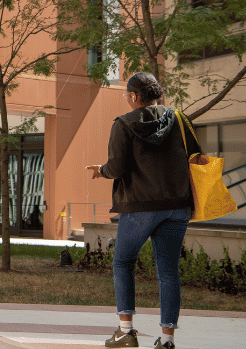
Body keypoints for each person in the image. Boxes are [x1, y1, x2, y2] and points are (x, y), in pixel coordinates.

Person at [87, 72, 205, 349]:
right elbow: (196, 157)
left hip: (140, 206)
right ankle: (167, 340)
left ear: (135, 97)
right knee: (168, 272)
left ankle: (126, 332)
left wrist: (100, 171)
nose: (127, 99)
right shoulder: (180, 120)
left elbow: (116, 168)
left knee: (123, 262)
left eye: (127, 95)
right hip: (177, 206)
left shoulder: (124, 124)